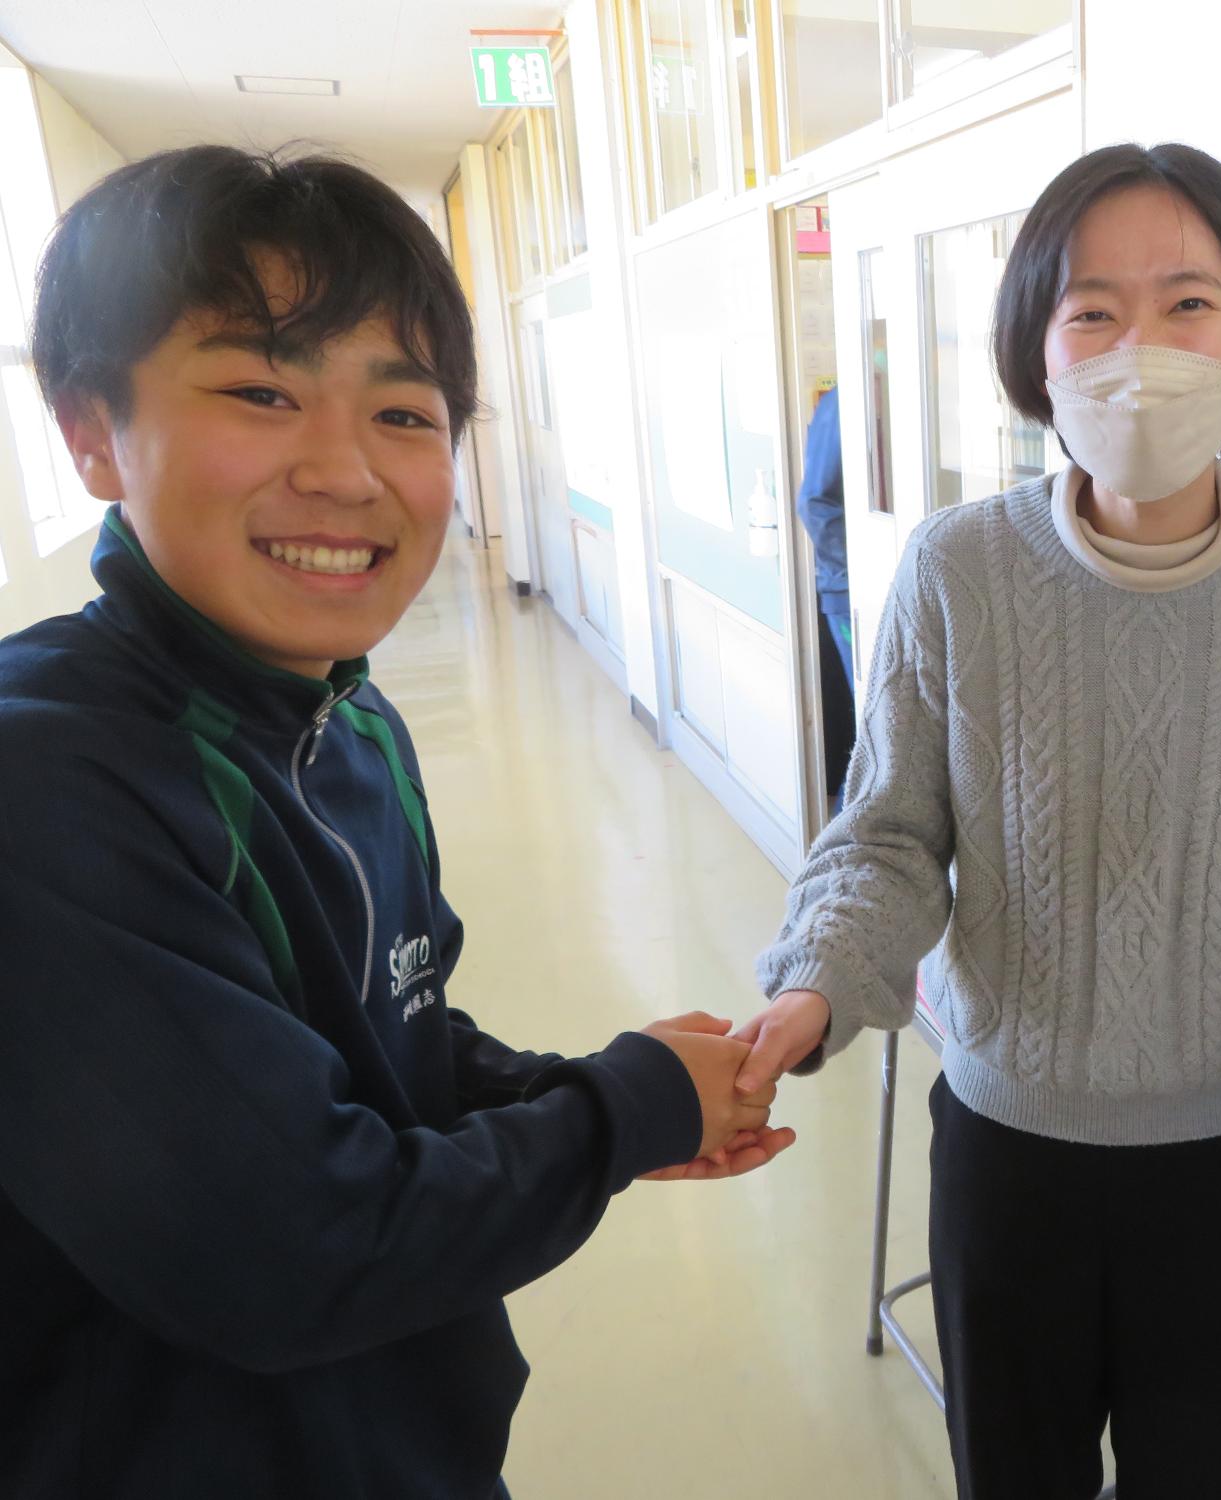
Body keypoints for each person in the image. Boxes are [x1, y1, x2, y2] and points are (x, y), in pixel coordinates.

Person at [0, 146, 792, 1500]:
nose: (345, 471)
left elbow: (382, 1039)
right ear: (90, 431)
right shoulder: (49, 781)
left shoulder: (350, 717)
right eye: (261, 392)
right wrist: (621, 1112)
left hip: (409, 1440)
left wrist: (572, 1094)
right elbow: (293, 1252)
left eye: (404, 413)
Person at [733, 142, 1221, 1498]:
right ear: (1038, 356)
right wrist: (813, 987)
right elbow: (888, 838)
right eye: (1092, 312)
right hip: (1009, 1151)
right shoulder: (956, 569)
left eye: (1188, 304)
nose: (1142, 351)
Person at [796, 384, 856, 809]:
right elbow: (815, 503)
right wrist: (857, 574)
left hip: (893, 587)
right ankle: (846, 833)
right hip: (849, 594)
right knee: (878, 724)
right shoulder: (843, 400)